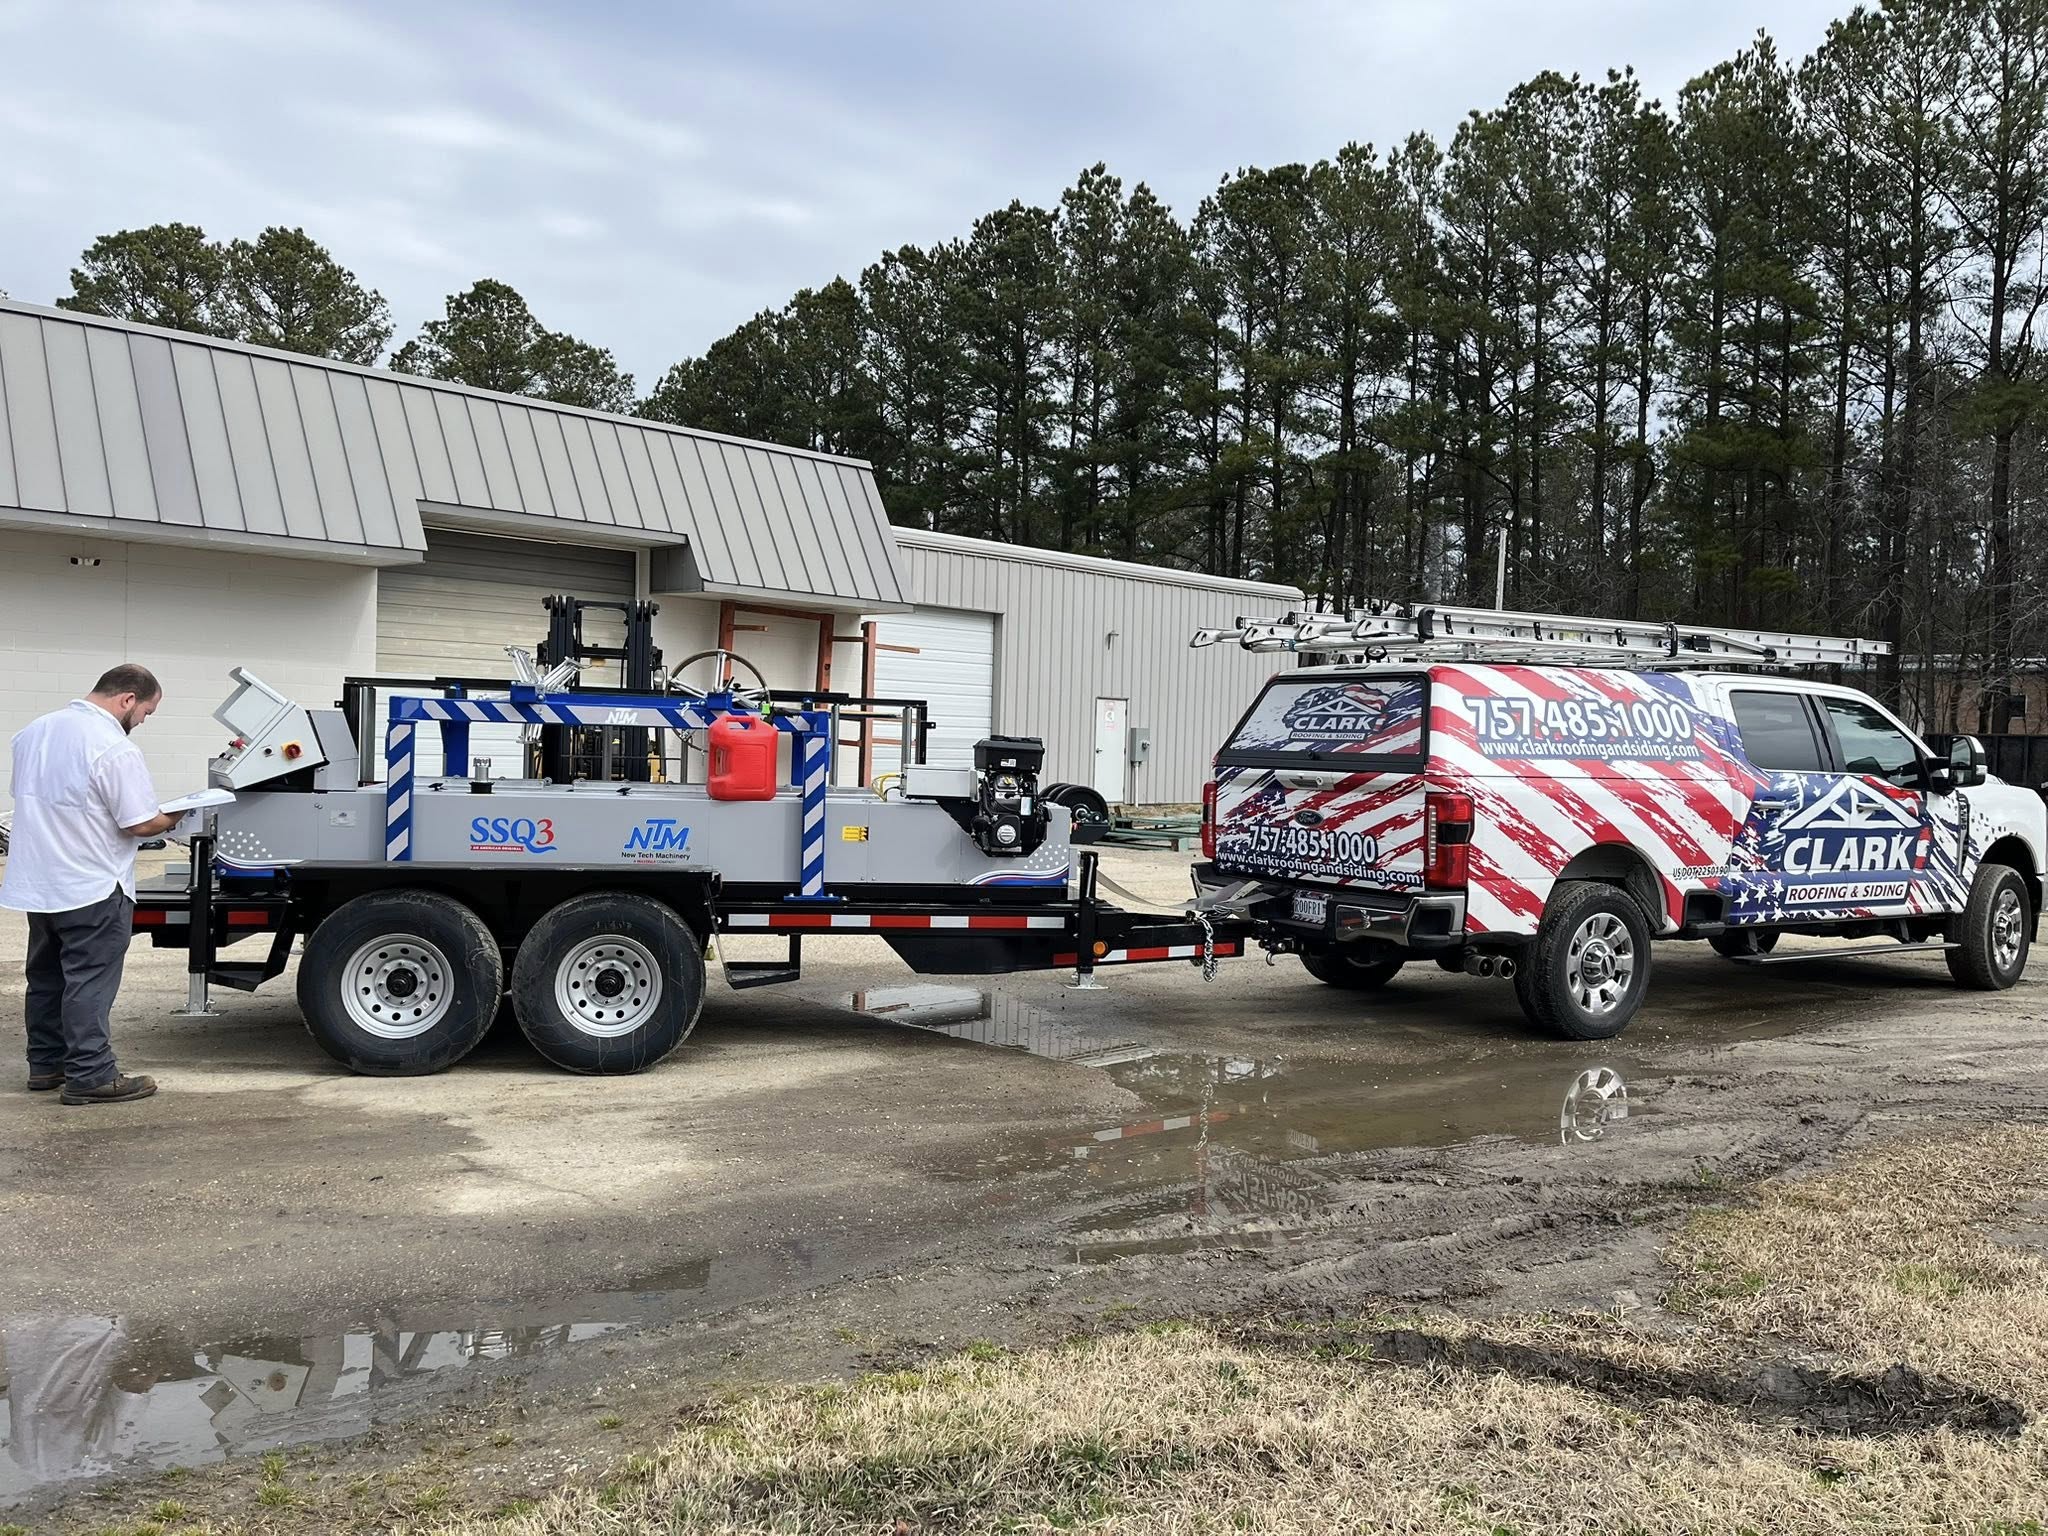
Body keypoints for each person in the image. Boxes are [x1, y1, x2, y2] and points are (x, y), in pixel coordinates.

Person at [1, 664, 178, 1104]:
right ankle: (91, 1075)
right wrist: (178, 815)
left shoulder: (32, 733)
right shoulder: (112, 747)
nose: (142, 722)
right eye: (146, 712)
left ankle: (46, 1065)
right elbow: (139, 822)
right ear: (128, 699)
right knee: (89, 981)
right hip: (93, 884)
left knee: (46, 978)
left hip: (40, 882)